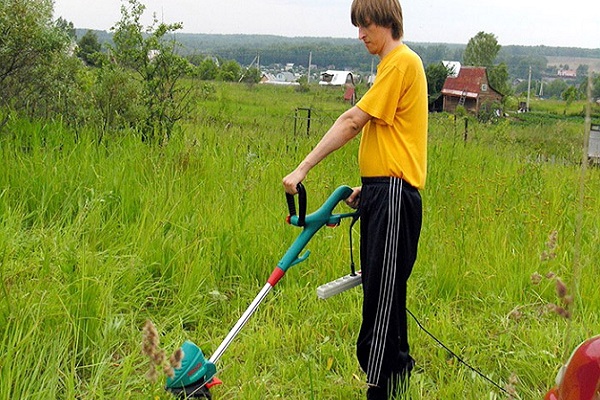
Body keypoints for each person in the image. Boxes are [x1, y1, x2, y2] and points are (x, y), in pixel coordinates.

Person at [282, 0, 428, 398]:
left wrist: (303, 167)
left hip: (395, 196)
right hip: (386, 192)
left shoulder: (399, 62)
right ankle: (396, 384)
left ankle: (379, 389)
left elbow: (352, 121)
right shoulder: (393, 66)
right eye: (358, 27)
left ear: (385, 21)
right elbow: (392, 135)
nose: (360, 34)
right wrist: (375, 186)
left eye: (365, 25)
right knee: (385, 295)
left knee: (381, 299)